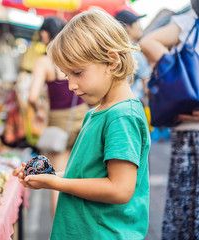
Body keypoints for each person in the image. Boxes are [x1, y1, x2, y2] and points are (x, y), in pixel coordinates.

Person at [14, 9, 151, 239]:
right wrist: (48, 177)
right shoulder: (98, 112)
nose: (71, 85)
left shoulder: (121, 117)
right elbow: (87, 173)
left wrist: (57, 184)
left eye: (77, 73)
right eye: (68, 76)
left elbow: (119, 189)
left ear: (112, 60)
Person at [140, 1, 199, 239]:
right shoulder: (189, 22)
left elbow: (147, 42)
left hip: (186, 128)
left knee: (185, 205)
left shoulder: (188, 23)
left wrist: (178, 76)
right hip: (188, 130)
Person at [28, 16, 89, 217]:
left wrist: (38, 110)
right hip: (82, 118)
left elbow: (32, 96)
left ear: (45, 34)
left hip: (58, 123)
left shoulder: (45, 61)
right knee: (80, 176)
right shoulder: (73, 56)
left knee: (58, 181)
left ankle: (60, 232)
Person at [115, 10, 151, 101]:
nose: (140, 27)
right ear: (127, 27)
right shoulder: (134, 53)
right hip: (133, 103)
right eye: (137, 23)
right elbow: (147, 87)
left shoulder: (113, 52)